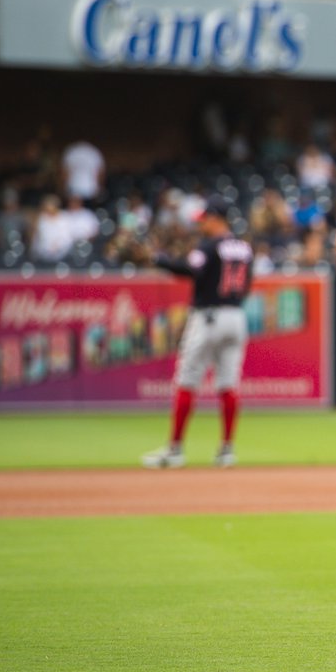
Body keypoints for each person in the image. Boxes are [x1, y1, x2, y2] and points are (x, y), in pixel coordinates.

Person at [141, 197, 254, 469]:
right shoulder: (245, 247)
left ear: (216, 218)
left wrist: (159, 260)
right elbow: (248, 284)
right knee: (228, 383)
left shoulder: (209, 245)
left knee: (187, 379)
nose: (201, 223)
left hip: (208, 317)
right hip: (237, 316)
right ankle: (227, 450)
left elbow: (191, 270)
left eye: (205, 218)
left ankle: (175, 449)